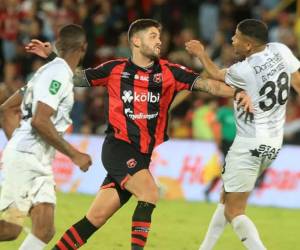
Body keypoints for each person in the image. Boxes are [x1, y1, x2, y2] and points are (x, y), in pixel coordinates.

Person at [26, 19, 251, 250]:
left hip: (142, 155)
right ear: (136, 40)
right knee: (150, 193)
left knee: (95, 218)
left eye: (159, 36)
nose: (159, 41)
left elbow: (210, 86)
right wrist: (53, 58)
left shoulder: (170, 72)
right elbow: (76, 77)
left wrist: (239, 93)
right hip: (118, 147)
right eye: (153, 36)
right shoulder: (114, 69)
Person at [185, 18, 300, 250]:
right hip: (273, 143)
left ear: (248, 45)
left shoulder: (243, 70)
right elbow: (297, 81)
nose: (232, 40)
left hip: (248, 143)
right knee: (226, 197)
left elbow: (215, 74)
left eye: (236, 37)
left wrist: (200, 53)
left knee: (234, 211)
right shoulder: (281, 50)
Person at [0, 24, 92, 250]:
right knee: (10, 229)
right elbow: (40, 120)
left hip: (35, 161)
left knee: (44, 229)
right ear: (84, 47)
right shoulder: (58, 74)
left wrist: (18, 147)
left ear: (58, 46)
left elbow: (7, 109)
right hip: (28, 162)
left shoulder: (48, 72)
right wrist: (75, 154)